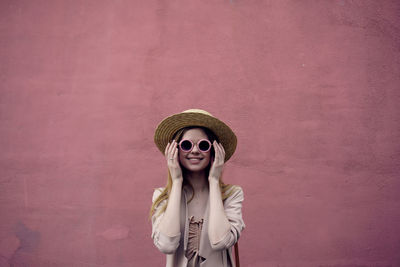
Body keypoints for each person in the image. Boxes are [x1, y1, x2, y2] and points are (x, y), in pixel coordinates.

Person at [150, 109, 245, 267]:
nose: (194, 151)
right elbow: (167, 245)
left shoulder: (232, 195)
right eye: (186, 145)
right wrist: (177, 181)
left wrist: (214, 181)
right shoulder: (162, 196)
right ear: (176, 151)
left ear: (214, 151)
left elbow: (221, 241)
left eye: (203, 145)